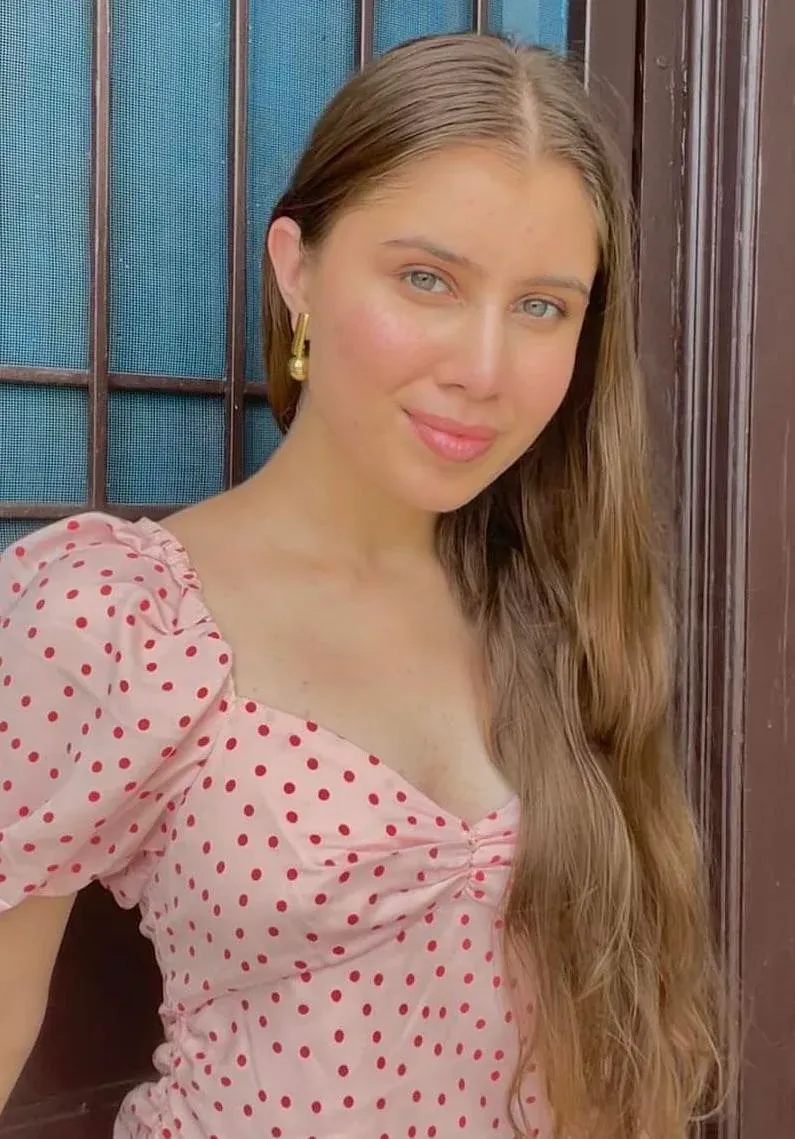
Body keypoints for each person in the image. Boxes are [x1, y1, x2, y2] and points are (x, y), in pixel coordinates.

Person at [0, 32, 720, 1139]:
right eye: (427, 279)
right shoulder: (111, 616)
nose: (481, 368)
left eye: (542, 306)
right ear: (296, 266)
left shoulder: (565, 607)